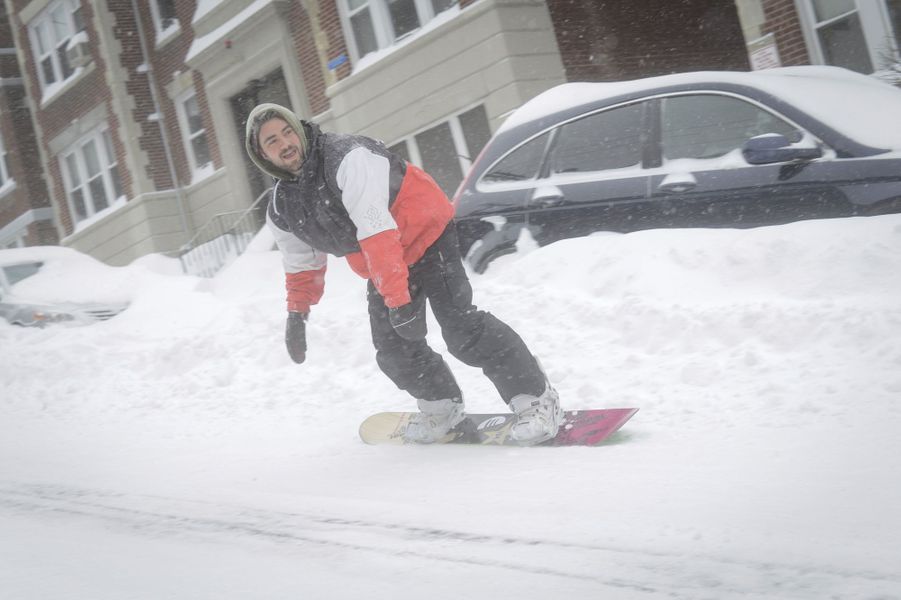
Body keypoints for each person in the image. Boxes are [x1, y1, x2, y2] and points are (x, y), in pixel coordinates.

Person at [244, 103, 562, 445]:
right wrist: (297, 313)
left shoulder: (346, 158)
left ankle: (536, 400)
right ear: (262, 154)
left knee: (461, 329)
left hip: (425, 234)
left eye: (288, 131)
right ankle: (443, 409)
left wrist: (398, 301)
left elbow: (376, 231)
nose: (285, 143)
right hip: (383, 261)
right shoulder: (282, 207)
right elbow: (301, 262)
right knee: (393, 348)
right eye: (272, 141)